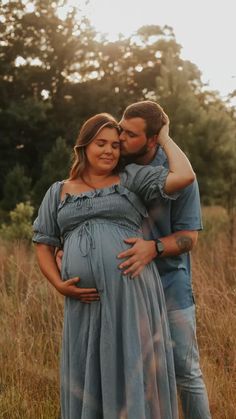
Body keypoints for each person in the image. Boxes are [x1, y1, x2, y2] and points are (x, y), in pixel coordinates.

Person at [33, 112, 195, 419]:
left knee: (132, 362)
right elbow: (44, 244)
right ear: (84, 146)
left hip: (131, 292)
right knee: (88, 368)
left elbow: (185, 176)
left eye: (115, 145)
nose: (109, 150)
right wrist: (57, 283)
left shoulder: (132, 178)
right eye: (100, 143)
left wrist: (163, 136)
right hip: (84, 300)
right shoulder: (58, 191)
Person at [116, 101, 211, 419]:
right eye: (121, 128)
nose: (120, 138)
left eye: (130, 134)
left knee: (186, 372)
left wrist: (152, 248)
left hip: (171, 283)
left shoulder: (180, 173)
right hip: (127, 283)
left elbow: (189, 239)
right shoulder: (115, 162)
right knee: (137, 375)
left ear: (153, 139)